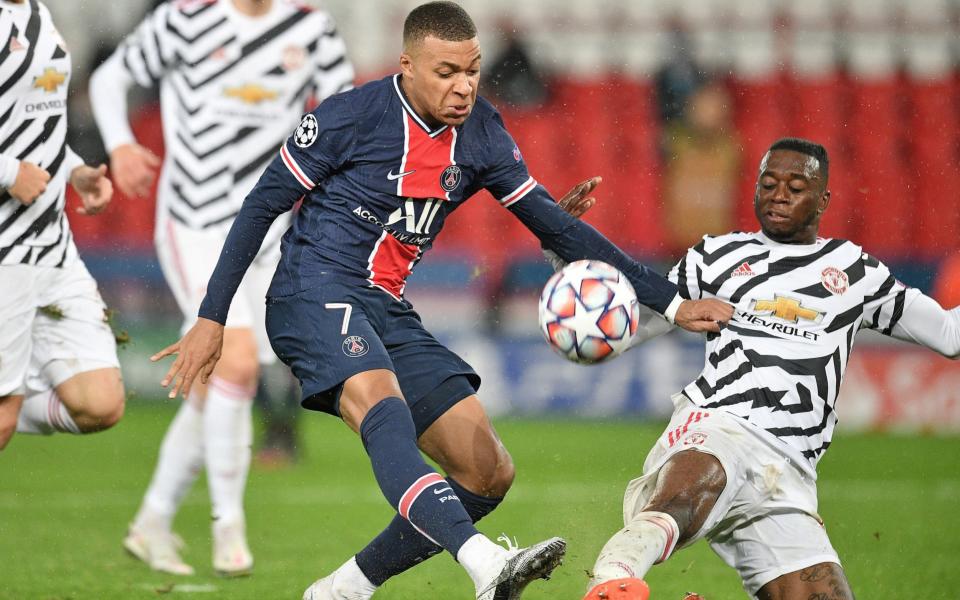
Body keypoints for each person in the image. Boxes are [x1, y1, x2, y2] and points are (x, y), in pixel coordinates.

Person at [152, 2, 732, 598]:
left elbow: (556, 230)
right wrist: (211, 315)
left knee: (487, 471)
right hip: (313, 290)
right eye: (446, 72)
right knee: (384, 406)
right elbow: (260, 206)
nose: (463, 87)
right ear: (407, 65)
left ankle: (342, 590)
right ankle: (485, 567)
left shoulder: (482, 133)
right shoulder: (350, 117)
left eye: (473, 70)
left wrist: (674, 300)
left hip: (386, 305)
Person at [555, 138, 960, 600]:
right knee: (691, 489)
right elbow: (630, 324)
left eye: (795, 186)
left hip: (790, 469)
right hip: (720, 423)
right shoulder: (714, 256)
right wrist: (566, 256)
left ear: (824, 199)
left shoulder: (856, 271)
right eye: (768, 184)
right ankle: (613, 578)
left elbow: (948, 334)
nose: (779, 195)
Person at [88, 0, 354, 577]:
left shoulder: (311, 28)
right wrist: (121, 144)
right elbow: (111, 76)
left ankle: (153, 519)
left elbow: (345, 117)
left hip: (270, 230)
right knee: (234, 363)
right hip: (196, 223)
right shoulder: (186, 17)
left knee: (215, 380)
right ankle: (228, 527)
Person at [0, 0, 123, 451]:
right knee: (2, 421)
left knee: (99, 401)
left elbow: (34, 125)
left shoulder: (38, 13)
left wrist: (73, 171)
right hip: (5, 249)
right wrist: (10, 174)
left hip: (53, 245)